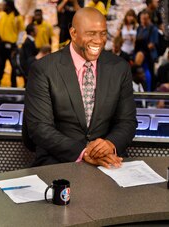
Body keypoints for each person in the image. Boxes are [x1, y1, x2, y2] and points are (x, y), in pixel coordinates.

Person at [24, 7, 137, 168]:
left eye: (103, 33)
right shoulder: (44, 69)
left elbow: (127, 121)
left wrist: (110, 144)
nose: (99, 40)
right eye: (91, 33)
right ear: (73, 34)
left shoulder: (120, 67)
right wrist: (83, 152)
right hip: (58, 162)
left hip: (107, 161)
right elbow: (39, 128)